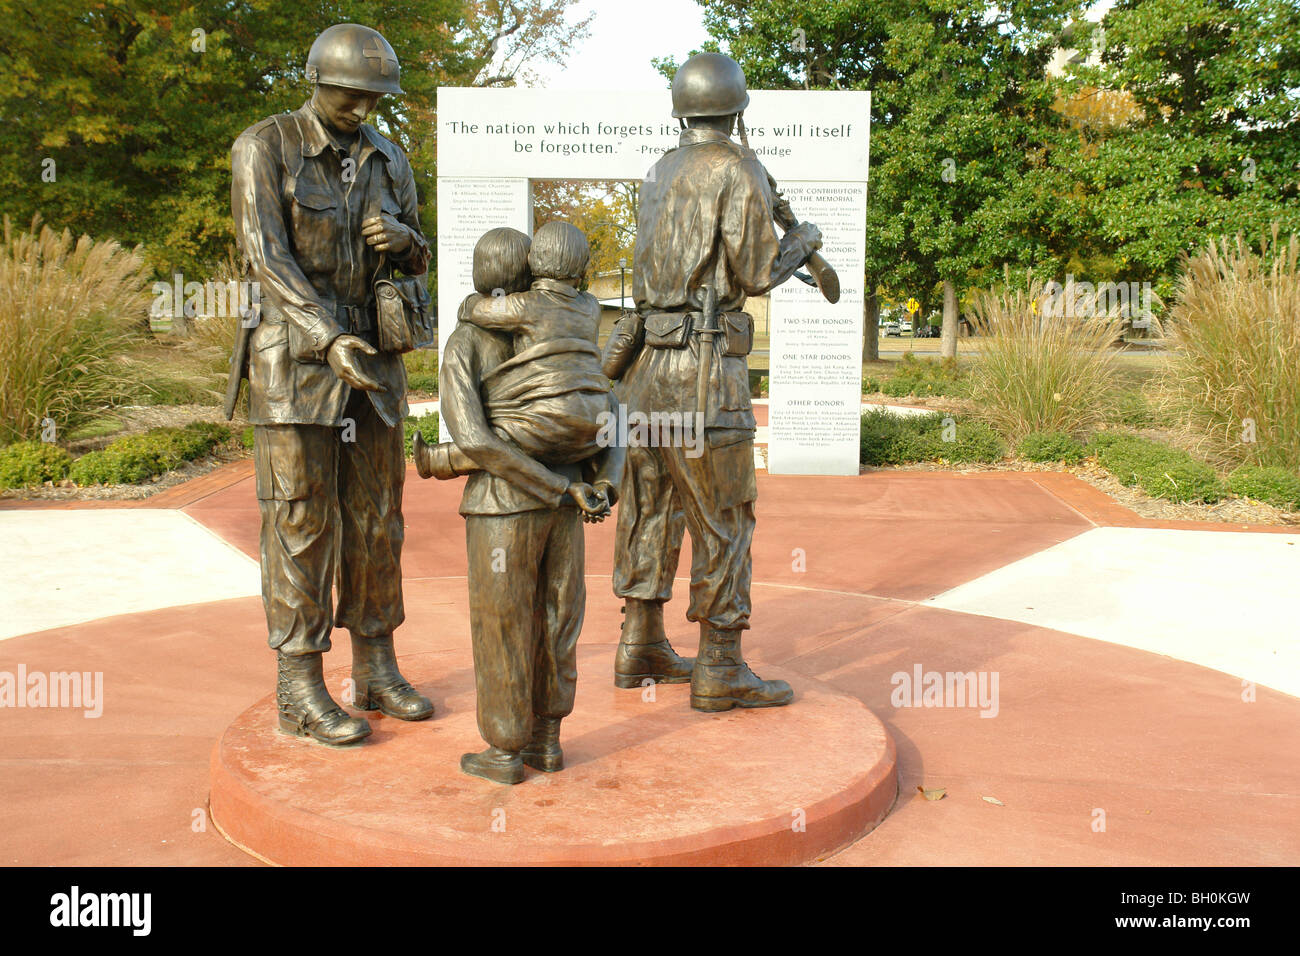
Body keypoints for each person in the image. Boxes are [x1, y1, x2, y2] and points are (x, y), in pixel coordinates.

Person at [228, 23, 433, 746]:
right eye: (351, 95)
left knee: (378, 520)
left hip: (373, 361)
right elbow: (266, 257)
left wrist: (406, 244)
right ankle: (300, 684)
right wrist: (326, 336)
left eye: (374, 98)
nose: (363, 109)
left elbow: (419, 261)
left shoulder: (388, 157)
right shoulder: (265, 147)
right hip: (295, 362)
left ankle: (376, 664)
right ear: (317, 81)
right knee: (301, 522)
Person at [602, 52, 823, 710]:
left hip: (647, 377)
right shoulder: (739, 167)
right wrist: (801, 242)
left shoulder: (659, 168)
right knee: (724, 516)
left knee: (650, 508)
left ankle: (639, 644)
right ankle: (720, 663)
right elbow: (755, 274)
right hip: (705, 378)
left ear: (683, 109)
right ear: (736, 109)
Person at [428, 226, 624, 785]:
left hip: (503, 506)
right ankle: (547, 740)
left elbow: (476, 442)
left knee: (504, 624)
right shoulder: (574, 332)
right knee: (558, 619)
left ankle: (505, 750)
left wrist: (559, 489)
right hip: (567, 504)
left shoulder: (468, 340)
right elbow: (615, 418)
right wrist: (596, 484)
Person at [413, 222, 611, 478]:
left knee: (511, 435)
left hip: (543, 426)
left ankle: (442, 459)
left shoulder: (523, 308)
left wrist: (469, 304)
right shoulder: (591, 305)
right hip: (592, 413)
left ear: (533, 262)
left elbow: (476, 440)